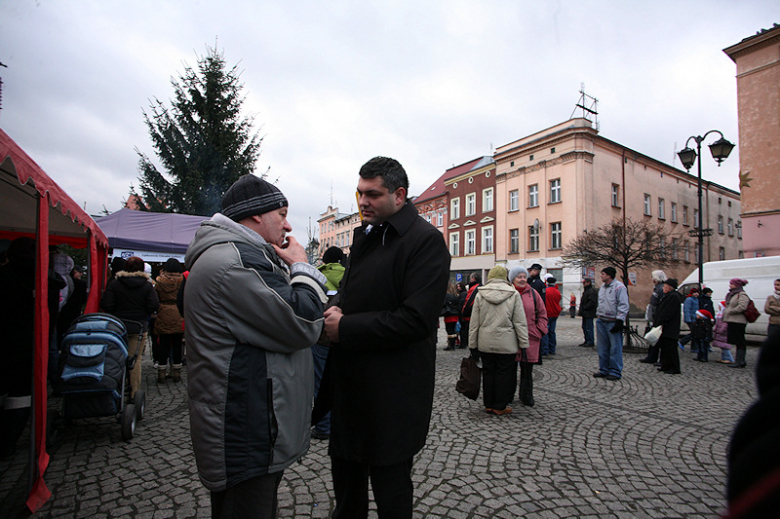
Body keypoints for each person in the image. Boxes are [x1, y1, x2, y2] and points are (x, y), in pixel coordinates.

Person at [184, 174, 327, 518]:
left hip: (249, 421)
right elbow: (302, 321)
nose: (288, 224)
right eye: (281, 213)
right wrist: (303, 267)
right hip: (246, 428)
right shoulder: (235, 263)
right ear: (256, 216)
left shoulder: (237, 256)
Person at [321, 156, 450, 519]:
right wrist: (332, 307)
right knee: (346, 497)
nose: (363, 202)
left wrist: (344, 328)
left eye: (373, 195)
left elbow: (415, 320)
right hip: (351, 390)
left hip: (393, 395)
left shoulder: (424, 241)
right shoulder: (367, 235)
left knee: (392, 496)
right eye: (360, 193)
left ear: (400, 194)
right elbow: (351, 293)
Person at [468, 266, 528, 415]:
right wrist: (524, 343)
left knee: (488, 372)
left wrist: (472, 344)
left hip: (485, 341)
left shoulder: (480, 294)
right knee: (503, 374)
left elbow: (474, 323)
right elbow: (519, 321)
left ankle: (488, 404)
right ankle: (500, 406)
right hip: (507, 343)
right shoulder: (513, 294)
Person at [101, 256, 159, 398]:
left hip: (118, 326)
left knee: (116, 357)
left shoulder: (115, 284)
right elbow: (154, 305)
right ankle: (134, 392)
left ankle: (115, 388)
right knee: (136, 359)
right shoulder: (146, 285)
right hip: (138, 326)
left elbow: (106, 304)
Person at [0, 238, 36, 458]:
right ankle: (9, 441)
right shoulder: (40, 279)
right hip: (25, 344)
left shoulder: (4, 276)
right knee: (20, 393)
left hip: (8, 343)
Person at [311, 246, 346, 441]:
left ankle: (323, 427)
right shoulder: (349, 274)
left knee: (321, 382)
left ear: (324, 260)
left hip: (322, 336)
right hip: (345, 334)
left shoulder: (318, 275)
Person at [509, 266, 547, 407]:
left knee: (527, 370)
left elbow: (543, 314)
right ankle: (508, 395)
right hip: (511, 338)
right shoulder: (509, 293)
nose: (522, 279)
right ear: (512, 279)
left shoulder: (534, 294)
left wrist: (539, 331)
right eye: (519, 277)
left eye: (524, 276)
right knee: (510, 370)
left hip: (531, 337)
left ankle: (526, 396)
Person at [594, 267, 629, 381]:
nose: (601, 276)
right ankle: (604, 369)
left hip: (613, 321)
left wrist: (620, 320)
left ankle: (615, 371)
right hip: (602, 320)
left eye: (603, 274)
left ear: (609, 275)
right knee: (602, 347)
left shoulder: (619, 287)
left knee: (615, 347)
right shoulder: (603, 287)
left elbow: (623, 304)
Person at [154, 258, 185, 383]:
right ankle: (176, 372)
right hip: (178, 312)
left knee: (163, 344)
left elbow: (155, 297)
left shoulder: (160, 281)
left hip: (163, 312)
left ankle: (162, 372)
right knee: (178, 344)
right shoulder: (183, 280)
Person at [654, 278, 684, 374]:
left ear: (670, 287)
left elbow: (669, 312)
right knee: (665, 347)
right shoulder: (668, 296)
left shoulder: (673, 297)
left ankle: (674, 367)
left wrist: (662, 320)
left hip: (670, 327)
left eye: (665, 286)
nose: (663, 287)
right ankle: (666, 365)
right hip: (665, 327)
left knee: (671, 348)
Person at [640, 270, 667, 364]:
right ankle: (651, 356)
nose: (651, 279)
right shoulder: (657, 288)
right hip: (653, 316)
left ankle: (654, 357)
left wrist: (656, 316)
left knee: (656, 338)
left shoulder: (661, 288)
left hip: (657, 316)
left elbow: (658, 304)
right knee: (654, 338)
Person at [723, 278, 751, 369]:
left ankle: (740, 361)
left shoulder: (741, 294)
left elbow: (742, 306)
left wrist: (730, 311)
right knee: (737, 341)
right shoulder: (733, 294)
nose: (730, 285)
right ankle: (738, 360)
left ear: (736, 285)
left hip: (738, 321)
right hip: (733, 320)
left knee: (740, 341)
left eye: (731, 284)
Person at [459, 272, 481, 350]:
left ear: (473, 279)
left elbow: (468, 301)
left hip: (470, 314)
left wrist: (463, 313)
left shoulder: (474, 288)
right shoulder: (480, 287)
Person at [544, 277, 562, 355]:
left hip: (548, 313)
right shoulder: (557, 292)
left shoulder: (546, 291)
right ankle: (552, 348)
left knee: (545, 332)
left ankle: (545, 349)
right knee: (552, 331)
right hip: (555, 313)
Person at [578, 277, 597, 348]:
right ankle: (587, 340)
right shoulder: (586, 291)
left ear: (588, 283)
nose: (583, 284)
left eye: (584, 283)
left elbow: (592, 302)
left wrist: (585, 308)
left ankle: (590, 341)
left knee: (589, 327)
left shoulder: (591, 291)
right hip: (585, 313)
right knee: (584, 327)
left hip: (589, 313)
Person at [680, 287, 700, 352]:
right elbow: (687, 310)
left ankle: (694, 348)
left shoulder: (696, 299)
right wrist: (688, 319)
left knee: (695, 333)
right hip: (691, 319)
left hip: (695, 318)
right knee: (694, 332)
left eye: (697, 292)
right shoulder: (689, 300)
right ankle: (682, 342)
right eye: (694, 293)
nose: (696, 294)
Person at [442, 282, 461, 351]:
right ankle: (452, 345)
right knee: (453, 330)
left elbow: (443, 304)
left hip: (448, 314)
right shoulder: (456, 295)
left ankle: (450, 345)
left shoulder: (446, 295)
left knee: (449, 330)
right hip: (455, 314)